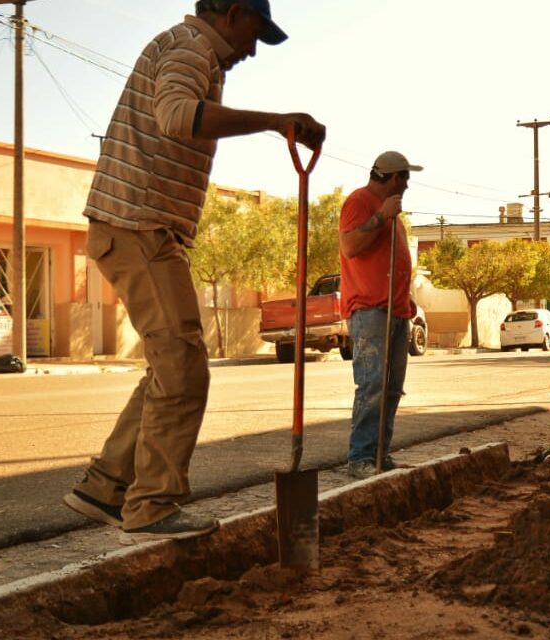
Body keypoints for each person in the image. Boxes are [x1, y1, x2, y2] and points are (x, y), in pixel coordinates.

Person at [63, 0, 325, 543]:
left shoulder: (188, 51)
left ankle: (108, 485)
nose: (253, 49)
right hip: (139, 225)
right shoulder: (190, 49)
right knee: (184, 368)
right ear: (231, 12)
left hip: (139, 226)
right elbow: (178, 116)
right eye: (255, 31)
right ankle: (152, 507)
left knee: (169, 366)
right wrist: (276, 122)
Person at [339, 151, 422, 479]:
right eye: (403, 178)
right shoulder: (360, 202)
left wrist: (406, 297)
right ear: (387, 176)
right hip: (371, 310)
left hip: (396, 310)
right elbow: (349, 246)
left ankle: (379, 454)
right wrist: (380, 217)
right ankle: (360, 457)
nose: (406, 185)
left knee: (391, 388)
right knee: (373, 385)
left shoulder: (394, 215)